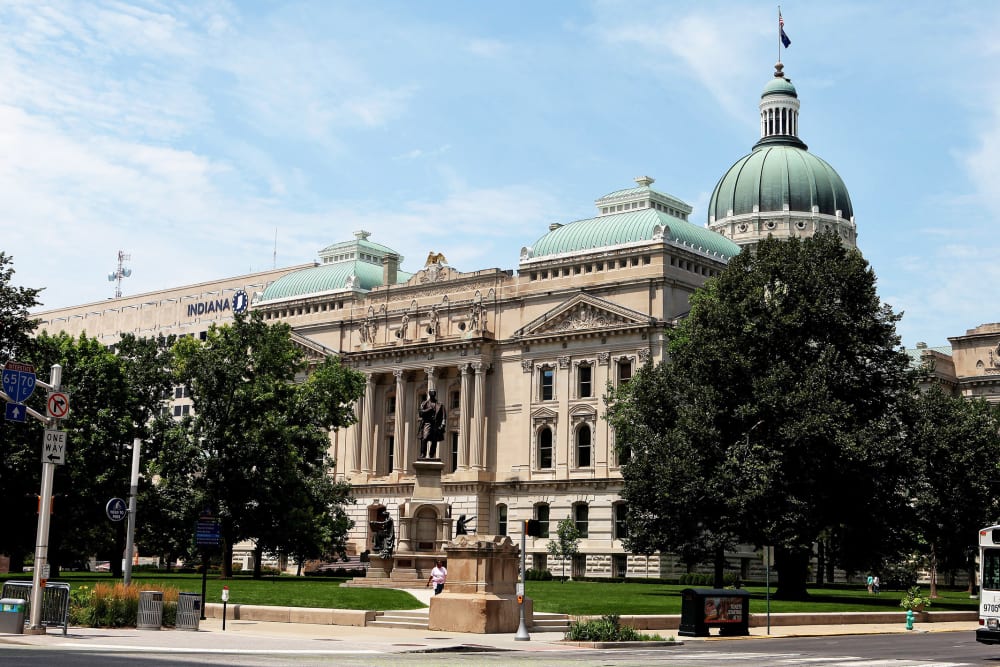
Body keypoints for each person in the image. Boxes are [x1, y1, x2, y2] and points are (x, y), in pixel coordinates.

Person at [417, 389, 446, 459]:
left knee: (434, 440)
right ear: (429, 394)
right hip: (427, 423)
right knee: (425, 438)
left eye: (434, 393)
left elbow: (444, 416)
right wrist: (428, 410)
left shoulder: (440, 404)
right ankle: (423, 454)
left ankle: (431, 455)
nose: (433, 394)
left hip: (436, 424)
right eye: (432, 393)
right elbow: (420, 413)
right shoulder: (424, 403)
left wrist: (443, 424)